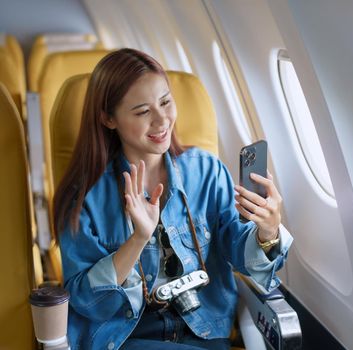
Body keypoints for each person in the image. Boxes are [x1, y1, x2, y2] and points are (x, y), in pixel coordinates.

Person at [53, 48, 293, 350]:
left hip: (205, 329)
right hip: (128, 337)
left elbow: (243, 256)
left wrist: (268, 233)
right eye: (143, 112)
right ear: (108, 119)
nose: (162, 119)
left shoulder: (206, 171)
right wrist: (138, 239)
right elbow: (86, 303)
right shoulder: (84, 196)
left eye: (165, 101)